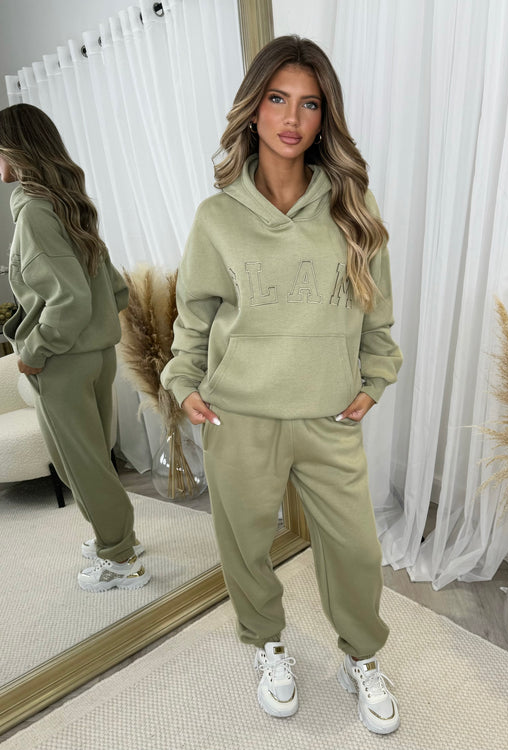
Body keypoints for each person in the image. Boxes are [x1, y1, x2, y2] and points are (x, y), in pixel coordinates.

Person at [161, 35, 402, 734]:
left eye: (309, 104)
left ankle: (361, 656)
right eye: (277, 99)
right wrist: (184, 381)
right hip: (239, 416)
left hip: (329, 415)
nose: (292, 118)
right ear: (254, 108)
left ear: (325, 118)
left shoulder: (351, 206)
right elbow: (194, 315)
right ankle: (267, 645)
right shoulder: (217, 218)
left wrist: (375, 377)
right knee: (244, 544)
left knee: (355, 549)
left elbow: (377, 314)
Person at [0, 103, 149, 593]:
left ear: (15, 152)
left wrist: (34, 351)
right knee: (92, 458)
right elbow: (115, 288)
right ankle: (119, 537)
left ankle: (120, 558)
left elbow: (70, 298)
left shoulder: (34, 212)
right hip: (97, 353)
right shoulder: (69, 203)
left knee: (78, 465)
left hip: (63, 359)